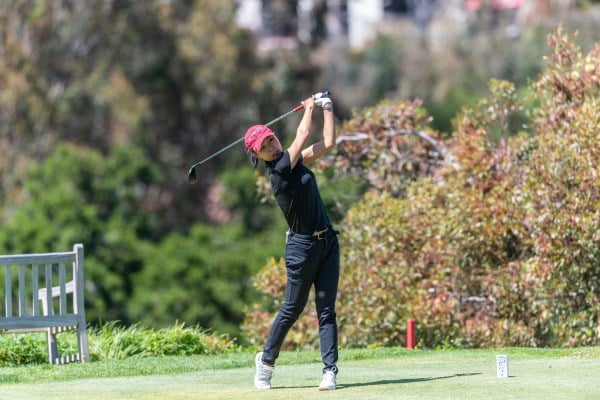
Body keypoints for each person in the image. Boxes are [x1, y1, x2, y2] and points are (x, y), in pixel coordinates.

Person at [244, 92, 340, 391]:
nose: (271, 146)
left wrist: (326, 108)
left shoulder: (293, 160)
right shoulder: (279, 172)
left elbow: (328, 143)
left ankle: (330, 371)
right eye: (264, 146)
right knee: (292, 308)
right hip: (301, 250)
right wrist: (309, 107)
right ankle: (266, 363)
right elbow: (303, 132)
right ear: (256, 155)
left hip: (327, 243)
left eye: (271, 140)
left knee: (326, 309)